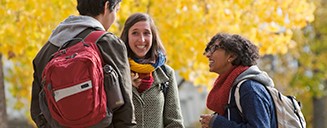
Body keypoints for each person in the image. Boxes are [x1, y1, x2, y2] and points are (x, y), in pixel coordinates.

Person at [30, 0, 136, 127]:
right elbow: (125, 109)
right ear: (107, 6)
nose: (115, 17)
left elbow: (38, 111)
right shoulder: (108, 43)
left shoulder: (45, 52)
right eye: (116, 10)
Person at [120, 13, 184, 128]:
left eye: (146, 33)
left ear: (153, 37)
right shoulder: (117, 71)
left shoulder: (166, 73)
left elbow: (175, 123)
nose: (142, 39)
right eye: (135, 33)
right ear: (127, 36)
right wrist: (125, 84)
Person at [199, 33, 277, 128]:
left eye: (214, 48)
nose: (208, 55)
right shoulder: (230, 89)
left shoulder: (249, 88)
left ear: (231, 56)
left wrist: (217, 123)